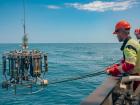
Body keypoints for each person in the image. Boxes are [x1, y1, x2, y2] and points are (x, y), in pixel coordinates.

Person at [105, 20, 140, 91]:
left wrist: (113, 70)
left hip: (136, 76)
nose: (116, 35)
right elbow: (130, 60)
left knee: (121, 90)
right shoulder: (134, 42)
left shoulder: (129, 46)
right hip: (137, 74)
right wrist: (116, 66)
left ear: (121, 31)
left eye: (117, 33)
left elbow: (130, 64)